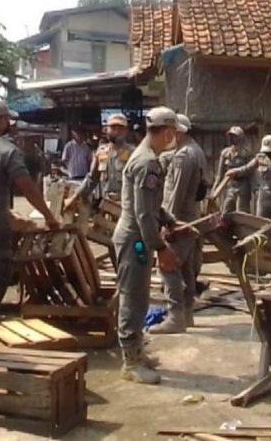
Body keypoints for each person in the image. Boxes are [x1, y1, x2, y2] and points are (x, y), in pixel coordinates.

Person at [0, 100, 60, 343]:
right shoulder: (5, 150)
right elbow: (28, 188)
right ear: (0, 120)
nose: (9, 124)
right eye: (7, 119)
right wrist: (49, 217)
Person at [112, 107, 184, 384]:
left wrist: (167, 218)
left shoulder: (143, 157)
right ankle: (131, 361)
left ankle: (137, 351)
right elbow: (142, 213)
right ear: (167, 131)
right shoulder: (147, 163)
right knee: (133, 297)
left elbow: (150, 205)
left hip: (137, 237)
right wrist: (161, 248)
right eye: (174, 132)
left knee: (140, 296)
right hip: (135, 240)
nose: (174, 137)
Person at [149, 114, 206, 334]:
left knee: (168, 266)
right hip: (192, 216)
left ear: (177, 132)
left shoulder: (183, 156)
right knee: (187, 268)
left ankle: (175, 317)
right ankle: (188, 313)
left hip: (181, 218)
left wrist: (168, 224)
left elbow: (176, 193)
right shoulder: (197, 151)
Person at [64, 114, 135, 212]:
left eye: (121, 128)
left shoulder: (133, 153)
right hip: (106, 206)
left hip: (127, 207)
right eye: (113, 128)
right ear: (106, 130)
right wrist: (74, 197)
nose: (117, 132)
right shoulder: (101, 152)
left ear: (126, 131)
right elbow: (92, 179)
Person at [226, 134, 271, 220]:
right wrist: (235, 171)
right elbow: (247, 168)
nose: (267, 154)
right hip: (263, 199)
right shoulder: (260, 158)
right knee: (260, 224)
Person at [214, 126, 254, 220]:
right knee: (225, 213)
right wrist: (214, 190)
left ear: (240, 138)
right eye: (230, 136)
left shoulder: (246, 153)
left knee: (242, 214)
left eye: (235, 136)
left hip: (243, 188)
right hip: (230, 187)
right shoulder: (225, 153)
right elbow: (220, 174)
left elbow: (250, 170)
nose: (232, 139)